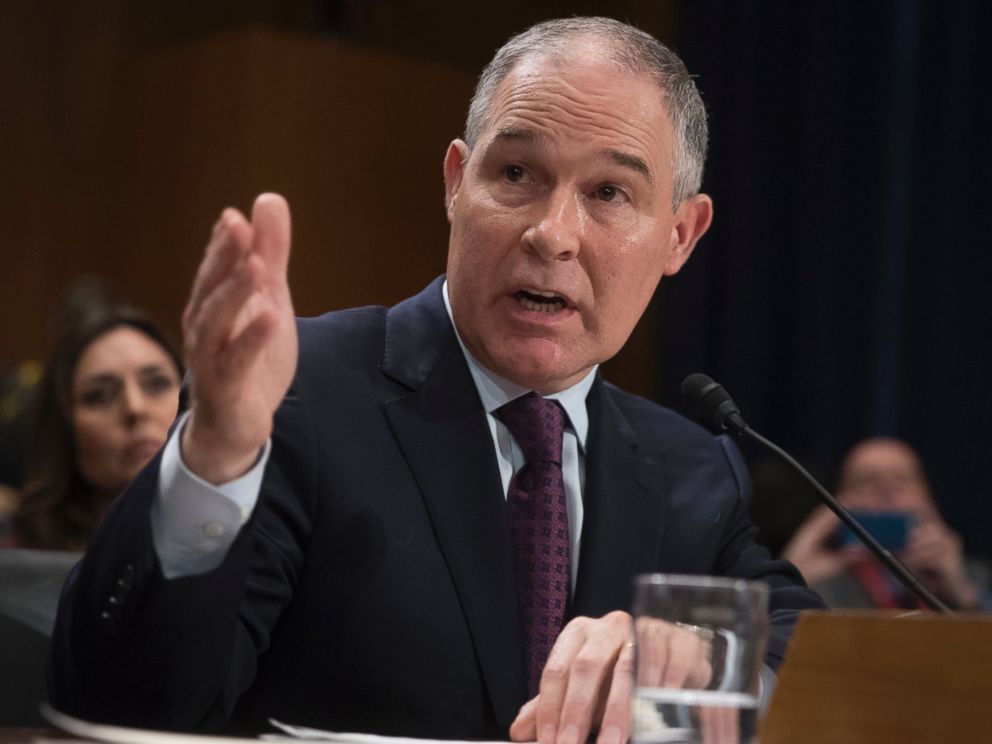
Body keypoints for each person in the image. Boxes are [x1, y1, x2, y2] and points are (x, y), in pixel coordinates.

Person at [50, 17, 823, 742]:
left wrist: (703, 653)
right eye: (516, 172)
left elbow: (823, 658)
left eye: (609, 193)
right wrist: (215, 456)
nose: (551, 234)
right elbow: (129, 708)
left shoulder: (689, 469)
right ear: (457, 182)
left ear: (680, 234)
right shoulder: (297, 393)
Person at [8, 280, 183, 550]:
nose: (135, 408)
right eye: (99, 396)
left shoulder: (254, 533)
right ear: (64, 427)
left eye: (157, 384)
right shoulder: (18, 563)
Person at [783, 437, 990, 611]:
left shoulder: (972, 576)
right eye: (868, 481)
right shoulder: (819, 579)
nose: (886, 490)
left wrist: (962, 592)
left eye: (901, 480)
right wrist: (791, 578)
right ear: (838, 503)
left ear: (927, 497)